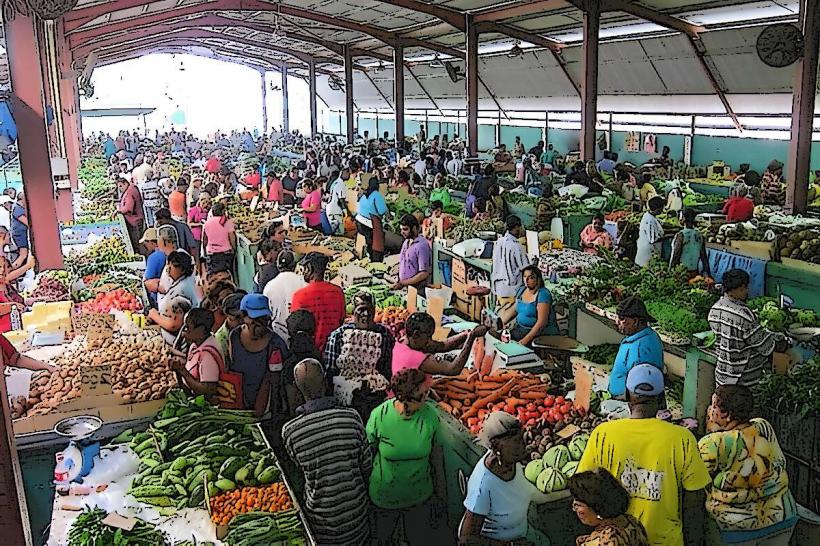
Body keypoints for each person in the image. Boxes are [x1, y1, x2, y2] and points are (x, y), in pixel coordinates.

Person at [578, 364, 710, 546]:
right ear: (662, 399)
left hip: (617, 540)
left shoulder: (603, 433)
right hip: (666, 541)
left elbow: (583, 489)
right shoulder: (682, 438)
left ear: (626, 395)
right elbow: (694, 502)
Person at [281, 358, 373, 545]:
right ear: (325, 382)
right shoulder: (352, 418)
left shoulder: (291, 432)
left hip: (321, 525)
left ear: (297, 389)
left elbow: (302, 471)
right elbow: (367, 467)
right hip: (357, 518)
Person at [699, 385, 797, 545]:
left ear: (728, 415)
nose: (710, 410)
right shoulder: (763, 425)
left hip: (737, 528)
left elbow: (696, 483)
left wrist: (711, 429)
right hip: (783, 517)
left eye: (714, 406)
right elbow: (779, 462)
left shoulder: (714, 443)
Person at [367, 368, 448, 545]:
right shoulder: (379, 415)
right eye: (421, 395)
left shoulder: (430, 417)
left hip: (419, 498)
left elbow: (436, 458)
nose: (426, 398)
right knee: (382, 539)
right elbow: (368, 453)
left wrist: (441, 494)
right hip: (384, 497)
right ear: (404, 399)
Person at [459, 411, 552, 545]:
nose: (522, 445)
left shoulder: (511, 460)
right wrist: (511, 545)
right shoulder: (483, 485)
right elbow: (466, 540)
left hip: (522, 532)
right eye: (515, 441)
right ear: (497, 446)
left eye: (521, 438)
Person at [325, 291, 395, 420]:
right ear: (353, 312)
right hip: (346, 400)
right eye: (361, 310)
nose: (366, 314)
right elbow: (331, 372)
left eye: (370, 310)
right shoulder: (339, 336)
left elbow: (387, 368)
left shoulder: (385, 335)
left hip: (375, 398)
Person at [708, 268, 778, 387]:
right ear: (739, 288)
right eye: (744, 288)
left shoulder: (715, 309)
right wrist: (782, 340)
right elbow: (764, 346)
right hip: (744, 379)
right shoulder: (744, 316)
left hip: (722, 375)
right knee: (740, 404)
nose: (746, 291)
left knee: (725, 404)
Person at [230, 293, 290, 413]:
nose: (260, 324)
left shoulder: (276, 343)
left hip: (268, 409)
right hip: (238, 405)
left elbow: (280, 383)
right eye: (255, 319)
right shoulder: (234, 337)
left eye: (263, 319)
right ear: (244, 317)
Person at [393, 312, 488, 378]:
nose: (430, 340)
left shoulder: (405, 341)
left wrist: (464, 335)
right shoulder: (414, 357)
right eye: (428, 336)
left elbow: (442, 346)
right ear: (416, 334)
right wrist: (471, 337)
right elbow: (453, 369)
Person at [569, 468, 649, 546]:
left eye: (578, 505)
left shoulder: (608, 540)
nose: (574, 509)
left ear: (597, 509)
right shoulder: (631, 521)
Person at [608, 296, 664, 398]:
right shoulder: (643, 336)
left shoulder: (641, 349)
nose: (617, 322)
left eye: (622, 319)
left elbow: (642, 391)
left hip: (630, 404)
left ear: (635, 321)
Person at [290, 253, 346, 352]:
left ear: (310, 268)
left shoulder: (300, 296)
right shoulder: (338, 292)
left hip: (309, 351)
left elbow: (295, 328)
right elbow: (341, 320)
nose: (303, 272)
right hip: (333, 350)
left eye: (304, 268)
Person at [499, 266, 559, 346]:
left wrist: (525, 340)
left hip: (538, 334)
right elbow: (514, 309)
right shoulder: (522, 290)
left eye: (531, 277)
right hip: (520, 329)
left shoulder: (543, 294)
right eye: (525, 277)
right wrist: (500, 323)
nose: (527, 280)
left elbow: (541, 323)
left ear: (538, 279)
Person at [170, 308, 223, 398]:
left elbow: (207, 391)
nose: (183, 333)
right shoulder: (195, 344)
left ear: (201, 329)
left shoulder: (208, 355)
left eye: (188, 328)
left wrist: (182, 371)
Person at [263, 250, 307, 342]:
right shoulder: (303, 283)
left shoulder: (269, 286)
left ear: (278, 266)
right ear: (294, 266)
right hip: (300, 335)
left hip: (278, 334)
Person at [490, 215, 530, 308]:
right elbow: (526, 269)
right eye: (520, 227)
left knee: (502, 316)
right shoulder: (517, 246)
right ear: (516, 227)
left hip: (498, 289)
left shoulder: (499, 241)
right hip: (512, 291)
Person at [394, 214, 432, 292]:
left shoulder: (422, 246)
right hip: (404, 288)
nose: (402, 232)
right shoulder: (406, 242)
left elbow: (424, 273)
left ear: (414, 228)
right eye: (401, 229)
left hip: (416, 290)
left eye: (405, 229)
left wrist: (403, 283)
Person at [670, 208, 711, 278]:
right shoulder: (699, 235)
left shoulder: (681, 235)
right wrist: (707, 274)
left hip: (682, 273)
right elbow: (704, 257)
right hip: (694, 272)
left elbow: (675, 256)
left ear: (683, 218)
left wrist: (670, 271)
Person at [356, 176, 388, 262]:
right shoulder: (377, 195)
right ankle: (375, 260)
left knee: (368, 243)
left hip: (359, 221)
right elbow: (382, 211)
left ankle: (367, 257)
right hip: (369, 223)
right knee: (375, 244)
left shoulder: (365, 194)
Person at [201, 202, 236, 274]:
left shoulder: (207, 223)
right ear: (223, 211)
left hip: (211, 254)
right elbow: (232, 238)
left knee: (214, 276)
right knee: (227, 274)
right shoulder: (227, 222)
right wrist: (234, 249)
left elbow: (204, 240)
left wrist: (204, 251)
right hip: (226, 254)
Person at [116, 175, 145, 254]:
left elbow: (129, 208)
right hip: (137, 219)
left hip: (134, 221)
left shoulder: (129, 192)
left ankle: (140, 256)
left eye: (121, 186)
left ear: (125, 183)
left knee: (136, 242)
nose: (120, 189)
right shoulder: (131, 189)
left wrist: (119, 211)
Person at [214, 292, 245, 366]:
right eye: (237, 317)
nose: (243, 320)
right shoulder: (220, 339)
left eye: (245, 315)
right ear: (228, 316)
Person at [635, 196, 665, 267]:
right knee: (647, 270)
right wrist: (669, 235)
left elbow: (661, 224)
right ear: (658, 209)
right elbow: (654, 239)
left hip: (646, 249)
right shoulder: (650, 220)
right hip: (648, 252)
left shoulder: (649, 215)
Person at [140, 228, 165, 308]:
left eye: (145, 242)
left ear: (151, 242)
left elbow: (147, 279)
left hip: (158, 296)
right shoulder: (165, 252)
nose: (145, 245)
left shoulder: (154, 257)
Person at [187, 192, 211, 260]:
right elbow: (189, 223)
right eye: (204, 202)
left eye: (207, 202)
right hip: (196, 236)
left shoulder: (208, 211)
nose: (206, 205)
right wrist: (200, 224)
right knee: (197, 256)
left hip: (207, 237)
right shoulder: (193, 210)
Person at [325, 168, 348, 235]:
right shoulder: (341, 184)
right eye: (348, 173)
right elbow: (341, 200)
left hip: (330, 208)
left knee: (334, 231)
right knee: (340, 232)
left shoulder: (335, 182)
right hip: (335, 210)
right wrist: (345, 210)